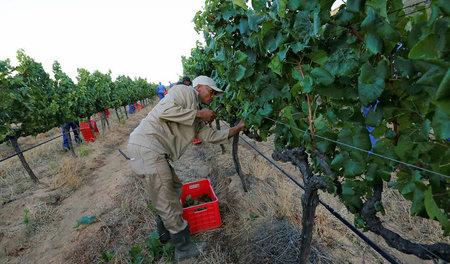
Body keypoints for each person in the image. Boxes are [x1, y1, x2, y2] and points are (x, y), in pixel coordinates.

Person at [127, 76, 245, 261]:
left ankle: (165, 236)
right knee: (167, 200)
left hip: (153, 151)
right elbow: (164, 110)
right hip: (148, 148)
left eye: (215, 93)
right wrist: (200, 114)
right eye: (211, 91)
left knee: (174, 189)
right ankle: (183, 250)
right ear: (198, 87)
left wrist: (237, 128)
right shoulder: (185, 91)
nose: (213, 96)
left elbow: (211, 135)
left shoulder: (193, 113)